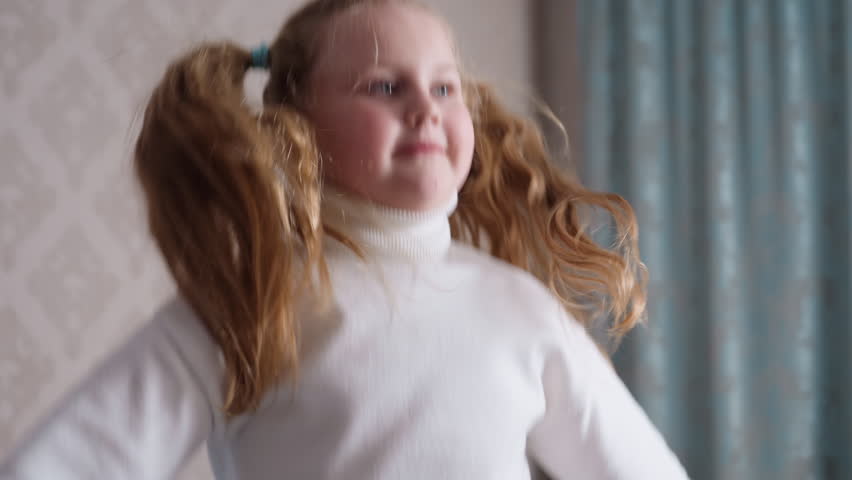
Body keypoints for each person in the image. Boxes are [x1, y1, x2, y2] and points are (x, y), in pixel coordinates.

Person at [0, 0, 689, 478]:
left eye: (446, 89)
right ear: (298, 122)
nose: (425, 107)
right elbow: (68, 462)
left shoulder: (520, 308)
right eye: (384, 86)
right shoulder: (250, 306)